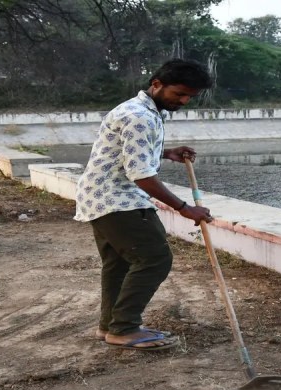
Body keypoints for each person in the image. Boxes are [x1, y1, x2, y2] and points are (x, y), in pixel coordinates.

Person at [74, 59, 214, 351]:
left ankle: (110, 326)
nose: (184, 101)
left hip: (99, 196)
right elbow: (142, 176)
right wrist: (184, 208)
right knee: (155, 258)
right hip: (117, 199)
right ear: (157, 84)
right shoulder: (140, 116)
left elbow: (130, 150)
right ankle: (124, 328)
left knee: (120, 263)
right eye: (179, 94)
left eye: (190, 96)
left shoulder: (139, 111)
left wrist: (167, 152)